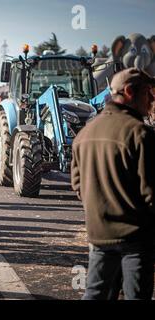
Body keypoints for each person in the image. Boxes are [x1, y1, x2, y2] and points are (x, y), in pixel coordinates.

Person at [71, 68, 155, 300]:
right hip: (135, 239)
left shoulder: (85, 134)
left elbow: (78, 186)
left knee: (96, 294)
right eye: (148, 94)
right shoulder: (140, 134)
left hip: (99, 235)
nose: (152, 100)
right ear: (129, 92)